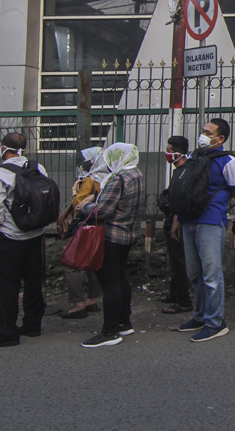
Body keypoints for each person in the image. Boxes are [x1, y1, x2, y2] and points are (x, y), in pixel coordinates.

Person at [176, 118, 235, 342]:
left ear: (220, 138)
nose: (203, 135)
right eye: (203, 131)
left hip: (211, 221)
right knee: (194, 273)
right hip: (188, 220)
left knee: (211, 273)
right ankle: (200, 315)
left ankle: (215, 322)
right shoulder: (196, 157)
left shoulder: (228, 161)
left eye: (208, 132)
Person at [0, 133, 49, 349]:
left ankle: (8, 332)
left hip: (10, 236)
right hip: (35, 234)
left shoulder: (0, 172)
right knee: (33, 281)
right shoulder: (38, 167)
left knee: (8, 285)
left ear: (3, 148)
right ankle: (32, 325)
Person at [77, 143, 145, 348]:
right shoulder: (136, 175)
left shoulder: (118, 179)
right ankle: (125, 321)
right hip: (128, 233)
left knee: (110, 283)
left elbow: (103, 211)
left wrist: (84, 207)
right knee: (121, 278)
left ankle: (110, 331)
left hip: (112, 236)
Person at [58, 149, 106, 319]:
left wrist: (74, 193)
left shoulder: (90, 180)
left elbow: (78, 205)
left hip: (84, 226)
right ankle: (92, 300)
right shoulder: (109, 177)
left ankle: (78, 304)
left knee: (72, 263)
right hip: (100, 226)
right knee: (93, 263)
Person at [159, 136, 193, 315]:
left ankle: (184, 301)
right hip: (172, 219)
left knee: (179, 262)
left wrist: (175, 222)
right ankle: (175, 293)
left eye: (169, 150)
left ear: (178, 152)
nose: (167, 153)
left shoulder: (184, 172)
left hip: (176, 222)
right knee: (175, 261)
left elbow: (181, 199)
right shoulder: (178, 172)